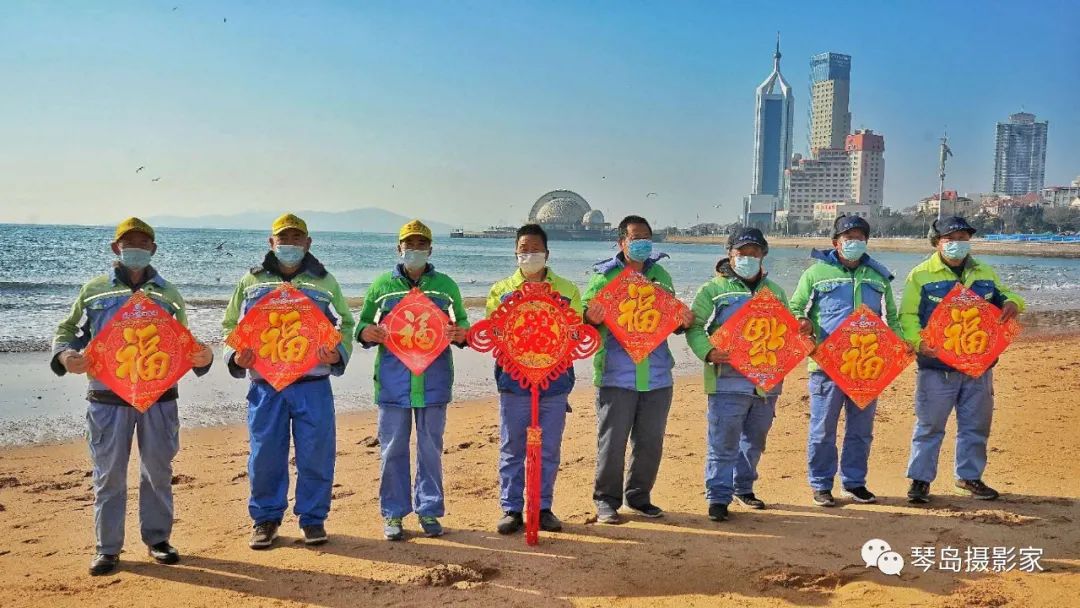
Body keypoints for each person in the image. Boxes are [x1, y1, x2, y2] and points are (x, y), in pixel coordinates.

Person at [52, 217, 214, 575]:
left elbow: (183, 341)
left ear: (153, 249)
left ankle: (158, 540)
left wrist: (204, 357)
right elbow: (68, 331)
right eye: (129, 243)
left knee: (158, 470)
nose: (136, 249)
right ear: (116, 248)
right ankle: (107, 548)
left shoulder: (168, 294)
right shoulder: (94, 290)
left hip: (160, 398)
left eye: (143, 243)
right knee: (109, 474)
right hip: (107, 399)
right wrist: (65, 356)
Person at [222, 213, 355, 549]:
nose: (290, 244)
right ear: (272, 242)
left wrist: (337, 352)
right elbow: (230, 325)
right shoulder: (251, 281)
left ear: (308, 243)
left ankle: (313, 519)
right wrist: (235, 355)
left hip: (313, 384)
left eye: (297, 238)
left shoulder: (325, 281)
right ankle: (265, 519)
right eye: (284, 238)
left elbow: (346, 323)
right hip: (265, 386)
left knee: (317, 453)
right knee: (265, 454)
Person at [356, 219, 470, 540]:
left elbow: (462, 323)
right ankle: (393, 513)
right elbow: (362, 324)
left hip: (434, 382)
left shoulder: (446, 286)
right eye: (409, 244)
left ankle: (429, 509)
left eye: (421, 244)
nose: (415, 249)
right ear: (399, 248)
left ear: (430, 249)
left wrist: (460, 333)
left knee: (430, 449)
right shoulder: (382, 286)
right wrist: (368, 332)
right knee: (392, 448)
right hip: (393, 383)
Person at [685, 227, 805, 522]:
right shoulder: (713, 289)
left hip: (766, 384)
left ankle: (744, 487)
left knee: (755, 440)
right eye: (742, 252)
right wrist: (708, 352)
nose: (748, 257)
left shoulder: (775, 291)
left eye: (754, 252)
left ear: (763, 255)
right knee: (723, 441)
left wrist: (802, 331)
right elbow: (695, 326)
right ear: (730, 254)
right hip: (727, 380)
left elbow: (786, 330)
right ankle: (718, 496)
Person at [901, 216, 1023, 504]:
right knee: (929, 425)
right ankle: (920, 480)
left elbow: (1005, 296)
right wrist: (918, 342)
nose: (957, 244)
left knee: (976, 425)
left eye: (963, 239)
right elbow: (907, 315)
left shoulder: (984, 272)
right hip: (937, 368)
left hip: (979, 367)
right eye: (950, 239)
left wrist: (1013, 303)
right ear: (937, 242)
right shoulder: (920, 275)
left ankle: (969, 477)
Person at [582, 215, 693, 524]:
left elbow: (669, 318)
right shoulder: (604, 277)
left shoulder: (660, 275)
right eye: (635, 237)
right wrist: (589, 316)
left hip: (657, 376)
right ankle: (606, 500)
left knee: (650, 442)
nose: (642, 242)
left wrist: (683, 322)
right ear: (622, 242)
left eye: (646, 237)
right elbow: (583, 316)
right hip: (616, 375)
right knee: (612, 443)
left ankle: (639, 496)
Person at [789, 215, 905, 508]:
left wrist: (901, 345)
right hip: (826, 365)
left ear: (867, 241)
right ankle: (821, 484)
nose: (854, 242)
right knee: (822, 429)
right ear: (835, 242)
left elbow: (892, 317)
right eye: (848, 237)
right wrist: (802, 323)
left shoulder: (878, 276)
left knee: (861, 430)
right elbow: (794, 307)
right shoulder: (815, 273)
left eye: (860, 238)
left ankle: (854, 483)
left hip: (867, 364)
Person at [485, 224, 582, 535]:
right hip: (514, 384)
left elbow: (575, 333)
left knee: (548, 449)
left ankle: (542, 507)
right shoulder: (501, 291)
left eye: (536, 249)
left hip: (554, 384)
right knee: (512, 447)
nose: (530, 254)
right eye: (524, 249)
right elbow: (494, 333)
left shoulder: (567, 290)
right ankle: (511, 508)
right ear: (515, 252)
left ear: (547, 253)